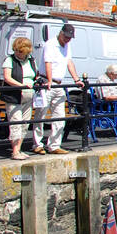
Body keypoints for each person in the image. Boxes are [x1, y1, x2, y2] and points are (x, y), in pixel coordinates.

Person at [39, 23, 80, 153]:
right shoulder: (50, 44)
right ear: (61, 33)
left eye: (70, 38)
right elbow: (48, 63)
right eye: (66, 37)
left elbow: (69, 62)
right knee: (41, 114)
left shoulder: (67, 46)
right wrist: (50, 81)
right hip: (47, 82)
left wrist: (76, 79)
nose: (68, 39)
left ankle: (54, 145)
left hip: (59, 83)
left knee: (60, 116)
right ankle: (37, 145)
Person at [1, 36, 41, 160]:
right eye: (16, 51)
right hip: (14, 96)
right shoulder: (10, 60)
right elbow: (7, 78)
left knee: (25, 123)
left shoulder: (31, 60)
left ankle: (19, 148)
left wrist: (38, 82)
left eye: (20, 51)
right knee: (16, 122)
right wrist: (21, 86)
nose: (18, 53)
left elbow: (35, 75)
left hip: (28, 96)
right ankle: (15, 151)